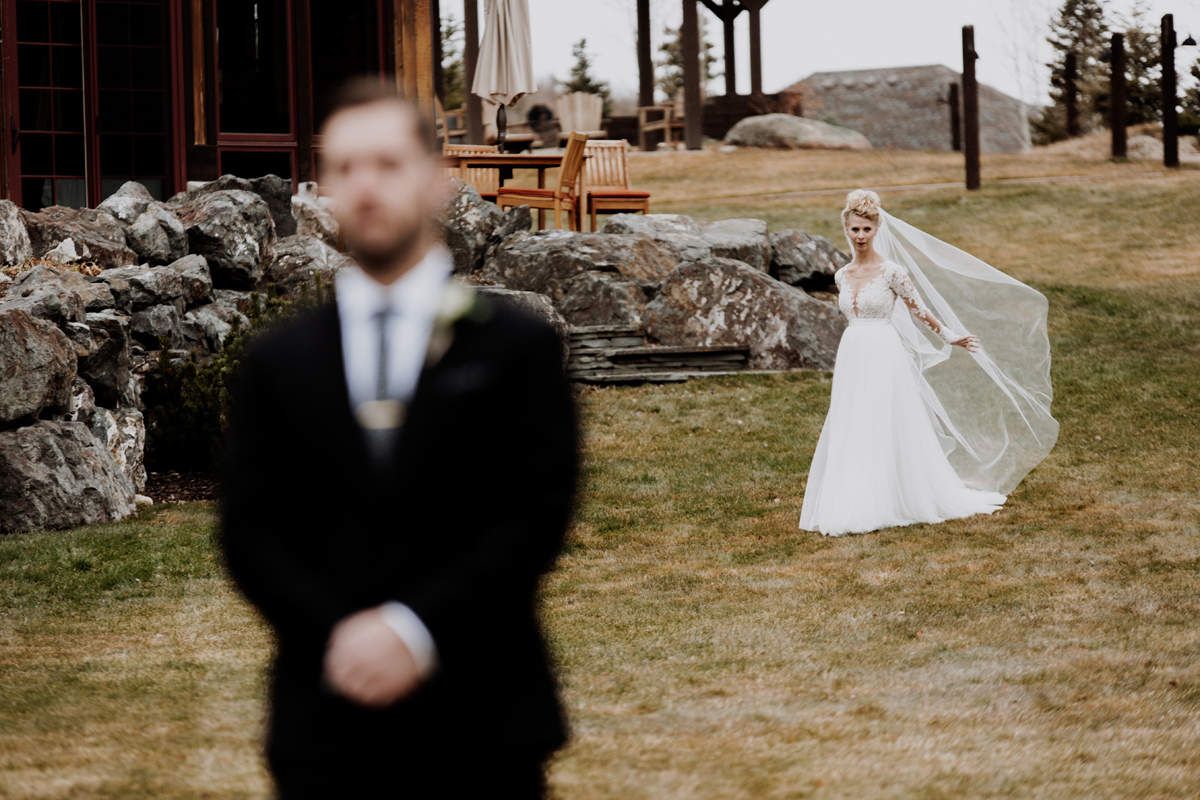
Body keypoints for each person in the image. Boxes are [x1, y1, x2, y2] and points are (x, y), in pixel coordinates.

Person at [220, 78, 578, 798]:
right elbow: (250, 530)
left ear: (437, 182)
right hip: (326, 721)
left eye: (387, 164)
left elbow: (536, 513)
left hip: (483, 721)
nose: (366, 186)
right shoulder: (276, 363)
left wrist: (413, 631)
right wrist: (342, 635)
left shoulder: (515, 349)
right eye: (346, 168)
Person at [799, 190, 1058, 536]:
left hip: (882, 351)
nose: (860, 236)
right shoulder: (842, 276)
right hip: (853, 351)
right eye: (854, 230)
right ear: (846, 230)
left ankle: (892, 494)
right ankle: (852, 493)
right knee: (853, 419)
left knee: (884, 418)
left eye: (866, 230)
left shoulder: (892, 271)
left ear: (877, 230)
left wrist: (950, 336)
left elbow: (919, 310)